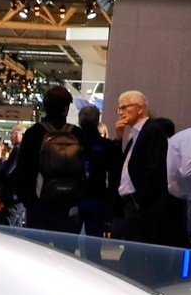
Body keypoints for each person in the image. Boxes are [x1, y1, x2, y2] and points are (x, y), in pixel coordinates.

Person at [115, 90, 184, 247]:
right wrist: (118, 138)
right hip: (132, 203)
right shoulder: (136, 134)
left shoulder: (152, 130)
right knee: (131, 247)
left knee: (137, 249)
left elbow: (154, 168)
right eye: (119, 109)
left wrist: (140, 199)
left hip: (141, 205)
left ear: (140, 108)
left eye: (125, 107)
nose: (121, 112)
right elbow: (122, 166)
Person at [14, 85, 84, 234]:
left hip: (39, 204)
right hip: (69, 204)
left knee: (37, 246)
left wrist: (28, 201)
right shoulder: (78, 134)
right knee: (66, 247)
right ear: (66, 108)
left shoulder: (34, 133)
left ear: (45, 106)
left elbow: (22, 171)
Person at [73, 102, 118, 240]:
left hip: (74, 195)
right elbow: (114, 173)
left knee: (69, 241)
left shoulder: (72, 142)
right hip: (98, 196)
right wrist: (109, 196)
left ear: (80, 120)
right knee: (94, 240)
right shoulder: (107, 145)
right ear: (98, 120)